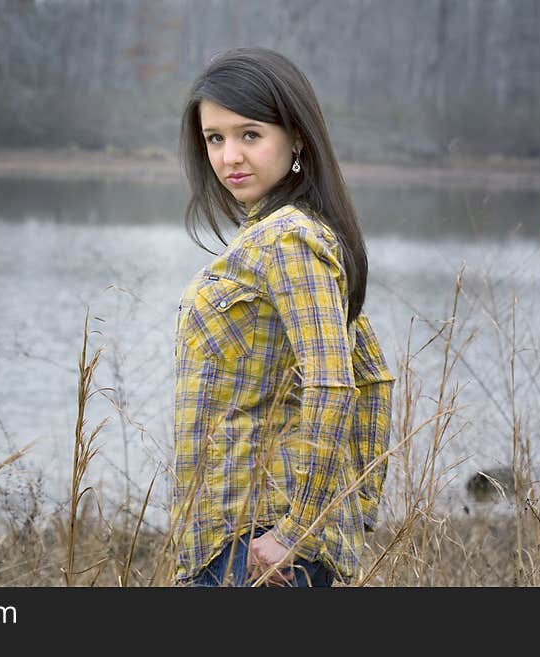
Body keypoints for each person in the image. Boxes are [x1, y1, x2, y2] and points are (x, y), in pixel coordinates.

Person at [171, 47, 395, 587]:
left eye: (250, 135)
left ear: (296, 139)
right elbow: (372, 376)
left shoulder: (288, 239)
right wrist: (350, 513)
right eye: (215, 138)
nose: (229, 157)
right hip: (234, 541)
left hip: (258, 547)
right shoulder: (278, 236)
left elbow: (336, 381)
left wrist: (299, 530)